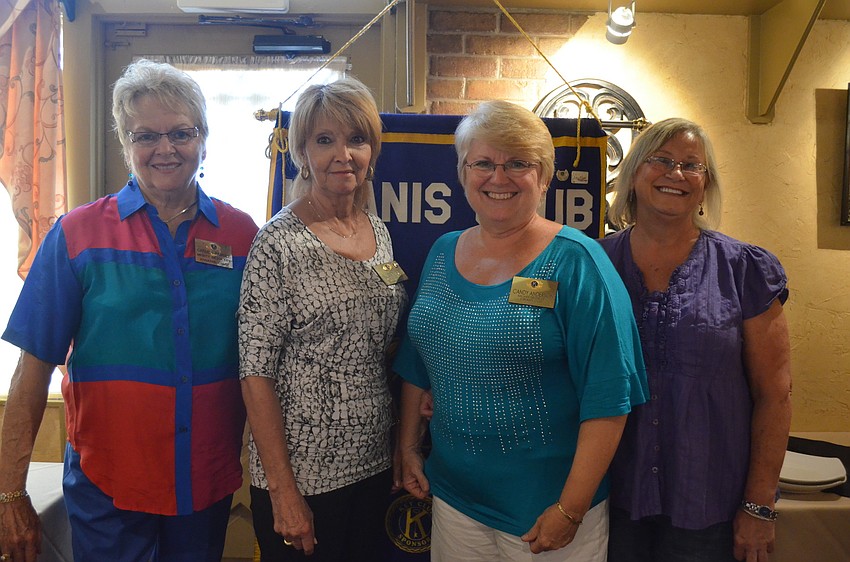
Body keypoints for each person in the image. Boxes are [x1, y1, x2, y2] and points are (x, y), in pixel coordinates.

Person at [0, 59, 259, 562]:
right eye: (146, 136)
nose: (165, 149)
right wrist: (11, 493)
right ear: (125, 145)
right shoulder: (77, 234)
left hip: (202, 482)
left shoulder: (243, 235)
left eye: (181, 133)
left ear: (203, 138)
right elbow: (32, 372)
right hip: (108, 486)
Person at [393, 100, 648, 562]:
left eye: (518, 164)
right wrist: (409, 446)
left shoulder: (579, 263)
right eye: (483, 163)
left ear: (545, 177)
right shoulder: (442, 250)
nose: (498, 177)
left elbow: (609, 400)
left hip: (546, 511)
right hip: (454, 500)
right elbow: (417, 362)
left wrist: (569, 511)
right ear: (462, 172)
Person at [599, 118, 792, 562]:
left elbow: (775, 394)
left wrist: (759, 506)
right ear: (632, 176)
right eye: (661, 160)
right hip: (609, 497)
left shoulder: (745, 269)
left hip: (710, 504)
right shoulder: (593, 262)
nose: (676, 173)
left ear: (705, 187)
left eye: (692, 165)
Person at [237, 77, 407, 561]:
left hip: (373, 464)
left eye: (356, 139)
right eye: (324, 140)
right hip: (304, 477)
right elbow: (255, 375)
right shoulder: (276, 243)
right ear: (302, 152)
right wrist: (284, 494)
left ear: (372, 148)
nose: (343, 154)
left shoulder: (377, 230)